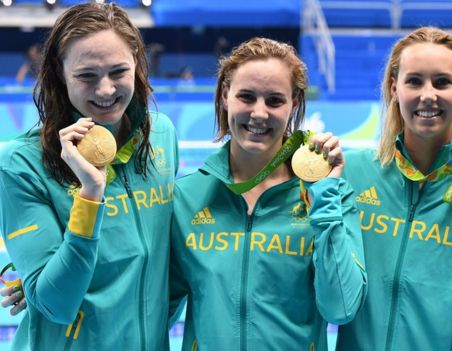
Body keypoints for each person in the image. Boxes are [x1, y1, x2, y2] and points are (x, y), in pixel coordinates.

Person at [168, 37, 367, 350]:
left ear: (295, 104)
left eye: (274, 100)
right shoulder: (186, 197)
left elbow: (340, 307)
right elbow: (157, 310)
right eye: (246, 97)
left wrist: (325, 199)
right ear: (224, 95)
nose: (259, 113)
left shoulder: (328, 195)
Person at [0, 3, 178, 350]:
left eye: (118, 71)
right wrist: (91, 195)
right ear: (59, 75)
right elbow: (56, 304)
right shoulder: (21, 163)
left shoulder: (161, 135)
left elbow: (167, 256)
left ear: (138, 66)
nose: (106, 90)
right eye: (87, 76)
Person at [335, 27, 452, 350]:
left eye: (442, 82)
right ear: (394, 89)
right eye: (414, 81)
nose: (428, 94)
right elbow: (334, 301)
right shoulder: (351, 174)